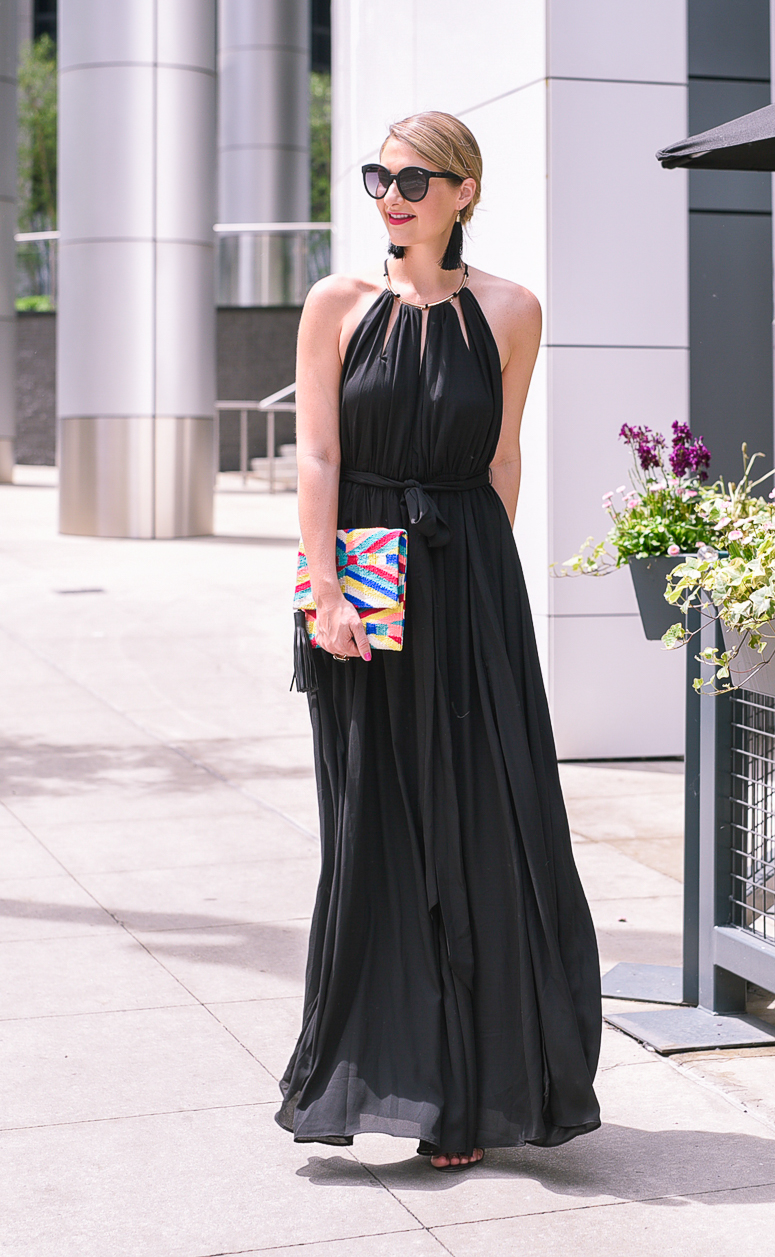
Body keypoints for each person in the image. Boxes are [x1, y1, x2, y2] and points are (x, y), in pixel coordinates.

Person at [277, 111, 601, 1172]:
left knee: (485, 827)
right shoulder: (337, 303)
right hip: (362, 589)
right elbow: (318, 457)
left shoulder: (512, 309)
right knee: (378, 826)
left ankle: (476, 1090)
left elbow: (503, 457)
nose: (394, 193)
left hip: (470, 588)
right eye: (381, 175)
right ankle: (386, 1076)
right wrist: (325, 593)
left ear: (466, 191)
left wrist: (478, 587)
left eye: (418, 177)